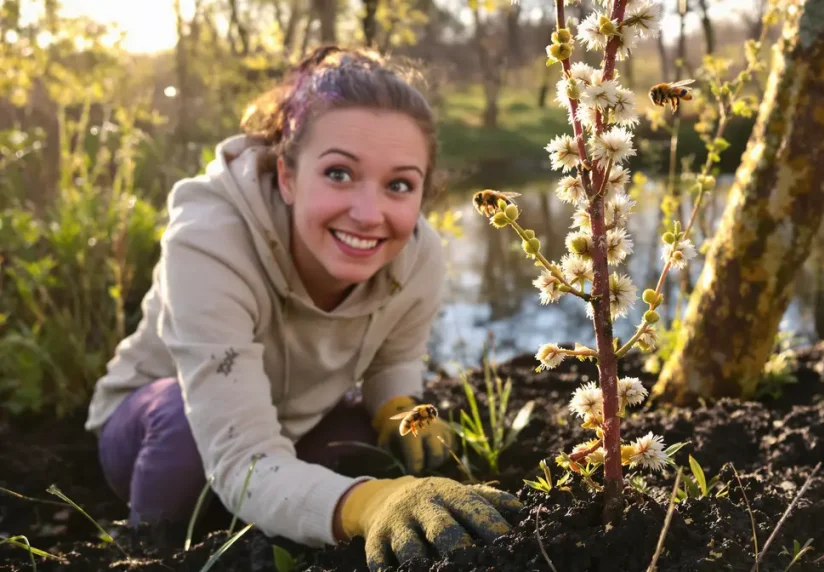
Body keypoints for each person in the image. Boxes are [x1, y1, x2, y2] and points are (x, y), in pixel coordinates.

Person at [84, 46, 521, 570]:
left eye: (399, 185)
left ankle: (270, 515)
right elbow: (241, 456)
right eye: (339, 173)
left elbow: (395, 357)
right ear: (287, 176)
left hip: (292, 428)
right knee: (182, 434)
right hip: (163, 434)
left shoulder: (418, 253)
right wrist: (365, 504)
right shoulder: (208, 241)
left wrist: (396, 405)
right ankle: (145, 550)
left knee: (367, 445)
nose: (369, 215)